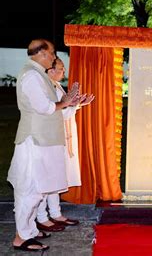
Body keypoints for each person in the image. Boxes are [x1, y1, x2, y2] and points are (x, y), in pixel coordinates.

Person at [7, 39, 81, 252]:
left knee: (36, 190)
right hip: (35, 141)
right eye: (51, 53)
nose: (53, 56)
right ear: (40, 53)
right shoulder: (31, 75)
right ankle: (21, 237)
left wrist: (67, 102)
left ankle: (28, 232)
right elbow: (44, 107)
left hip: (44, 140)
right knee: (31, 191)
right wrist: (65, 102)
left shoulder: (39, 74)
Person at [35, 58, 94, 232]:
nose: (64, 72)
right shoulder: (45, 87)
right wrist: (71, 104)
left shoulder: (56, 85)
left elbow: (64, 110)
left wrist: (76, 104)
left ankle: (55, 213)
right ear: (50, 70)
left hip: (60, 137)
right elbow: (52, 113)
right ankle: (41, 217)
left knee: (56, 177)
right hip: (50, 139)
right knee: (46, 179)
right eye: (61, 68)